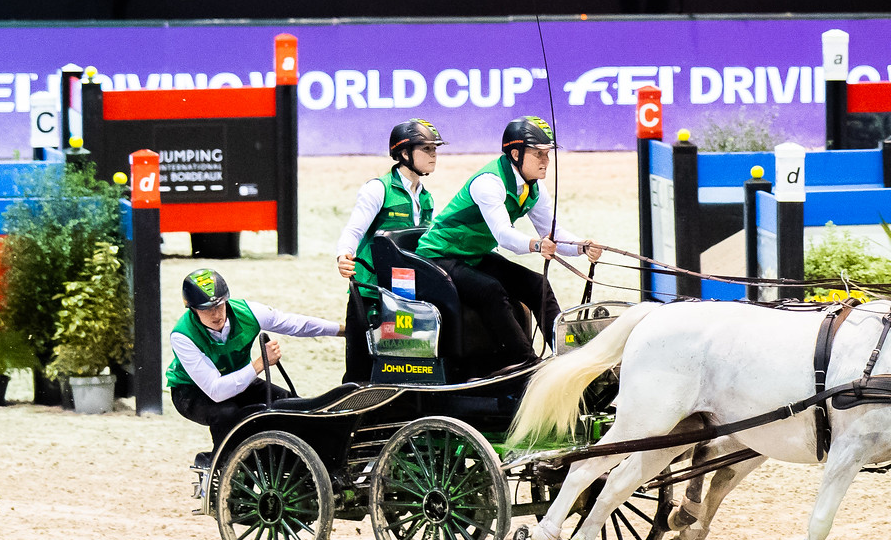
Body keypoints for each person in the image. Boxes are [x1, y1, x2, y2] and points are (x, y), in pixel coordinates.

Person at [416, 117, 605, 370]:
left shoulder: (534, 188)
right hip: (438, 257)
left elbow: (554, 234)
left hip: (474, 255)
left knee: (539, 285)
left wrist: (581, 247)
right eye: (538, 154)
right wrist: (537, 245)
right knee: (490, 290)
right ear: (516, 154)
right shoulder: (489, 183)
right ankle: (526, 364)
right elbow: (504, 236)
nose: (546, 161)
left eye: (547, 154)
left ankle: (570, 358)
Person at [167, 268, 344, 451]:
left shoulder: (248, 312)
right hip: (192, 391)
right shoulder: (182, 335)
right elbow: (216, 391)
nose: (216, 314)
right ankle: (226, 468)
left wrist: (343, 331)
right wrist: (261, 363)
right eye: (207, 309)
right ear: (193, 309)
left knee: (288, 403)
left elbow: (296, 324)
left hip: (238, 377)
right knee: (227, 413)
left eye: (219, 306)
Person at [335, 119, 443, 384]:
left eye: (434, 149)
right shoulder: (378, 189)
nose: (433, 155)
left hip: (404, 296)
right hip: (370, 293)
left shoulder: (426, 197)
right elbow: (354, 229)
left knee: (401, 360)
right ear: (405, 154)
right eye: (426, 149)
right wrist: (343, 255)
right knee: (360, 370)